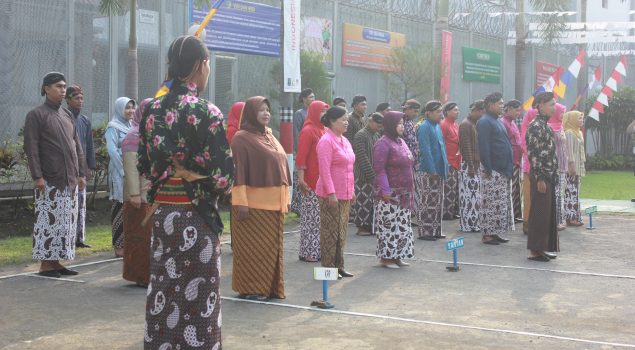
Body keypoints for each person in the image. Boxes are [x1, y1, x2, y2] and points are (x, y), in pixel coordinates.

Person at [138, 35, 232, 349]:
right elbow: (223, 177)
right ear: (200, 65)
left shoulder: (150, 110)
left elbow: (143, 162)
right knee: (197, 295)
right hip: (197, 217)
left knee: (164, 292)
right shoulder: (208, 112)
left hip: (164, 216)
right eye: (208, 64)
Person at [24, 72, 88, 278]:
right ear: (46, 89)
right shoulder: (36, 115)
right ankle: (46, 265)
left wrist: (81, 173)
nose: (62, 90)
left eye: (64, 86)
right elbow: (31, 148)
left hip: (69, 180)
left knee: (64, 223)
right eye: (58, 86)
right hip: (49, 180)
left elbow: (76, 145)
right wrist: (37, 177)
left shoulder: (67, 115)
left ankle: (56, 262)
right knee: (48, 222)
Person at [231, 96, 290, 301]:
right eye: (261, 110)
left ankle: (270, 287)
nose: (266, 113)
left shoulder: (270, 135)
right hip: (253, 207)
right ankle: (252, 288)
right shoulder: (241, 138)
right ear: (250, 113)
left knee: (271, 251)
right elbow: (238, 173)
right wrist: (241, 203)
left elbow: (281, 167)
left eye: (268, 110)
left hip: (275, 205)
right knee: (254, 252)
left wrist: (286, 199)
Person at [316, 106, 356, 278]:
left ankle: (339, 266)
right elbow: (324, 170)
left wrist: (352, 190)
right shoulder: (326, 141)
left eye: (347, 119)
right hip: (330, 195)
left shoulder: (345, 140)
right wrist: (331, 193)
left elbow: (349, 168)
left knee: (341, 232)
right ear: (332, 121)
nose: (346, 122)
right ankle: (328, 269)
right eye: (343, 120)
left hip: (345, 193)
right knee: (330, 233)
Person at [372, 111, 415, 269]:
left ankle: (398, 255)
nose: (402, 126)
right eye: (399, 123)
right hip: (390, 194)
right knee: (389, 225)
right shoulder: (383, 143)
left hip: (404, 193)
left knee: (402, 225)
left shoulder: (400, 141)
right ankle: (387, 258)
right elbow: (379, 169)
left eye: (403, 123)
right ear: (390, 125)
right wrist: (385, 190)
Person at [121, 98, 153, 287]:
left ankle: (147, 274)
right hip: (138, 198)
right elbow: (131, 169)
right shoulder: (133, 136)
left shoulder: (149, 135)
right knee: (139, 238)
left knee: (148, 238)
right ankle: (139, 275)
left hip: (149, 196)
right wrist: (134, 195)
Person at [526, 92, 559, 262]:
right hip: (542, 174)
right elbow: (534, 154)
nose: (554, 107)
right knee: (539, 212)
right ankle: (534, 250)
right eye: (551, 104)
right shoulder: (535, 126)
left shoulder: (545, 125)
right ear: (540, 105)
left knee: (546, 213)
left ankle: (543, 248)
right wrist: (539, 177)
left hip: (548, 175)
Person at [477, 92, 514, 245]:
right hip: (492, 169)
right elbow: (484, 146)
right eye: (499, 103)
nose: (502, 106)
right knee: (490, 203)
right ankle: (487, 234)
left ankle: (495, 232)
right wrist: (488, 167)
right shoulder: (485, 121)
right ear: (490, 105)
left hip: (502, 168)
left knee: (499, 203)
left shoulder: (496, 120)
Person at [296, 100, 330, 262]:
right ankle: (308, 251)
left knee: (321, 219)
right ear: (315, 112)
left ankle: (318, 250)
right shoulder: (308, 130)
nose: (324, 115)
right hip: (310, 182)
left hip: (323, 182)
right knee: (311, 219)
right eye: (322, 112)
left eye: (326, 112)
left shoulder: (325, 130)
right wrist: (301, 179)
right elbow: (301, 156)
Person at [65, 84, 95, 248]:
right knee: (69, 204)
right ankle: (68, 238)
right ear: (68, 100)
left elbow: (89, 145)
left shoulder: (85, 121)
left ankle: (79, 238)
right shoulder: (63, 118)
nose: (80, 101)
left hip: (82, 170)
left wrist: (89, 166)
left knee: (81, 203)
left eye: (82, 98)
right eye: (76, 98)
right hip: (68, 170)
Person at [106, 96, 135, 257]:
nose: (131, 111)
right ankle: (119, 246)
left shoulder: (132, 126)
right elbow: (112, 151)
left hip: (132, 172)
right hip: (119, 173)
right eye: (127, 107)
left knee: (130, 208)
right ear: (119, 109)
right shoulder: (113, 127)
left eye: (132, 107)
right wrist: (124, 171)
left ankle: (129, 243)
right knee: (119, 207)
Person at [415, 101, 448, 241]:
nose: (440, 114)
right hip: (429, 171)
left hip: (439, 169)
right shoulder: (424, 127)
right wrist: (432, 169)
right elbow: (425, 150)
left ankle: (435, 230)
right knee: (427, 202)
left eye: (441, 111)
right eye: (437, 112)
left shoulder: (437, 126)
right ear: (428, 113)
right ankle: (425, 232)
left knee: (437, 202)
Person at [352, 113, 383, 235]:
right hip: (362, 176)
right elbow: (361, 157)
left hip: (374, 175)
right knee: (363, 203)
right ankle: (362, 228)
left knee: (371, 203)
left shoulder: (376, 134)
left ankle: (370, 226)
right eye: (377, 124)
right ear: (370, 121)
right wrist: (371, 175)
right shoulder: (361, 135)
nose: (379, 127)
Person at [458, 100, 485, 232]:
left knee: (475, 197)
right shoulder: (465, 125)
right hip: (469, 165)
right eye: (481, 112)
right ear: (476, 110)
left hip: (474, 164)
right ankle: (468, 225)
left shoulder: (473, 124)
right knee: (468, 197)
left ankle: (474, 224)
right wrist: (470, 166)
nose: (482, 115)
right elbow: (466, 147)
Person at [292, 88, 316, 214]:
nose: (313, 99)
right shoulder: (299, 114)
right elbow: (295, 133)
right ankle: (298, 207)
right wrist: (298, 150)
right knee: (301, 178)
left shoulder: (316, 113)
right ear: (304, 99)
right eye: (310, 97)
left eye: (314, 97)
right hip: (303, 149)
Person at [500, 99, 524, 223]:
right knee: (511, 189)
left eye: (519, 110)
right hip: (510, 161)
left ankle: (515, 215)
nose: (518, 112)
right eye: (516, 110)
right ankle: (509, 216)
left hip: (517, 161)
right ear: (508, 109)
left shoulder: (512, 122)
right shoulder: (503, 122)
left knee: (516, 189)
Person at [563, 111, 586, 227]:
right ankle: (570, 218)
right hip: (572, 167)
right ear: (572, 119)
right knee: (571, 192)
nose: (582, 120)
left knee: (576, 192)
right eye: (579, 118)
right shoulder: (569, 133)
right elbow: (569, 152)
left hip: (578, 165)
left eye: (582, 118)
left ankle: (575, 216)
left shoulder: (579, 132)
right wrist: (571, 166)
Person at [548, 103, 569, 231]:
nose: (563, 115)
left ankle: (560, 220)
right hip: (554, 166)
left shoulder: (561, 126)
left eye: (564, 113)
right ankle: (554, 221)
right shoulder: (549, 127)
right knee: (555, 194)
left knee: (560, 194)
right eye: (561, 112)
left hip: (562, 165)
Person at [440, 102, 461, 220]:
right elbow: (441, 144)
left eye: (458, 110)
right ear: (447, 112)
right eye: (454, 110)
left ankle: (453, 212)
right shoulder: (444, 125)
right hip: (448, 162)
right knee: (449, 189)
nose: (457, 112)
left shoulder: (456, 125)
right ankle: (446, 214)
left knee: (455, 189)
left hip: (456, 161)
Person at [520, 107, 538, 234]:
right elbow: (527, 150)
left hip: (538, 169)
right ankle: (527, 224)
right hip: (529, 169)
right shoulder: (528, 131)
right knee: (529, 197)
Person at [401, 99, 422, 170]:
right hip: (404, 161)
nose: (416, 114)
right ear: (407, 109)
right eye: (415, 111)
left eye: (417, 112)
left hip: (414, 161)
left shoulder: (410, 121)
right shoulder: (400, 122)